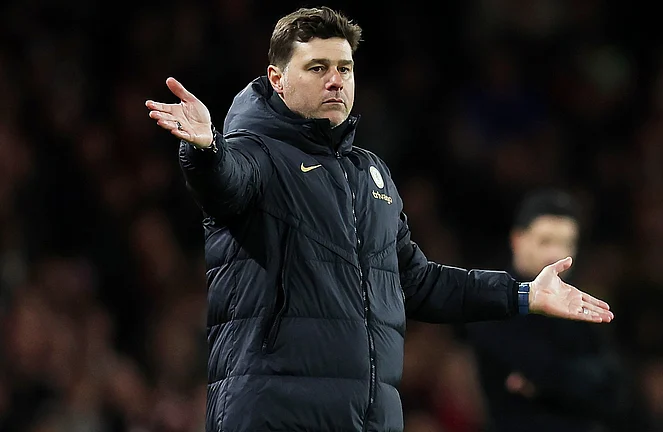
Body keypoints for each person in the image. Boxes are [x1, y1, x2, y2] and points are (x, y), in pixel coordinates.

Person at [144, 7, 614, 432]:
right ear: (277, 78)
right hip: (274, 416)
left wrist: (523, 294)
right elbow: (225, 182)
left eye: (344, 69)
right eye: (317, 68)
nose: (335, 81)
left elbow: (418, 283)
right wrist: (205, 149)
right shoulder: (256, 153)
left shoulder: (371, 174)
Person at [465, 189, 625, 432]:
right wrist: (579, 378)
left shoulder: (582, 303)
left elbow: (616, 390)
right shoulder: (490, 299)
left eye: (566, 243)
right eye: (545, 241)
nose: (556, 254)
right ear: (517, 240)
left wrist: (546, 383)